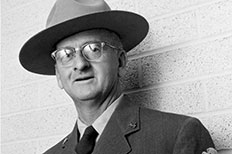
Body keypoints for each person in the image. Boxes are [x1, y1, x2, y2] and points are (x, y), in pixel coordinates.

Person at [19, 0, 216, 153]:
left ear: (120, 61)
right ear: (59, 76)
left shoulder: (176, 135)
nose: (80, 64)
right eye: (66, 55)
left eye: (94, 49)